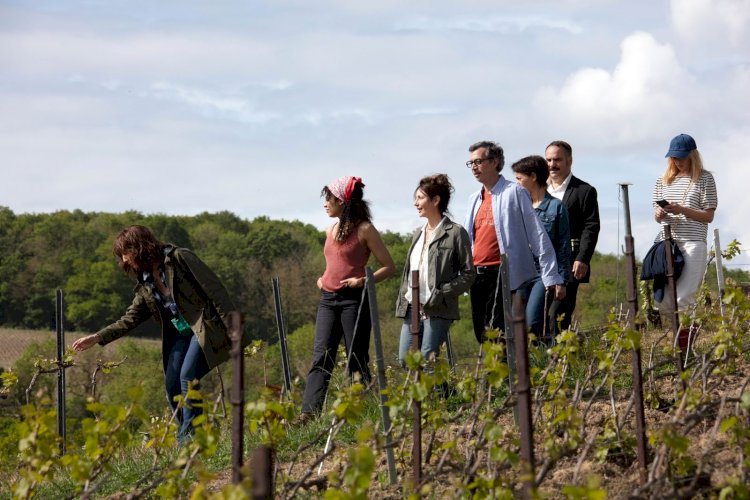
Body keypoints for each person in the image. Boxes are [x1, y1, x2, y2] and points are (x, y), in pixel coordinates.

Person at [71, 225, 244, 440]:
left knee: (188, 376)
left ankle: (189, 442)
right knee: (172, 387)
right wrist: (98, 337)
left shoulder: (180, 258)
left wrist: (233, 329)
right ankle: (194, 433)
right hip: (181, 336)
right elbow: (130, 318)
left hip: (204, 327)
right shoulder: (145, 282)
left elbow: (215, 290)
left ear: (139, 247)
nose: (124, 260)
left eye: (125, 253)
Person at [298, 176, 395, 423]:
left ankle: (362, 410)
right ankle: (308, 414)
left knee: (356, 356)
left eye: (329, 199)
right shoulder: (330, 230)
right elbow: (334, 263)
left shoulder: (365, 229)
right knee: (322, 356)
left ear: (342, 201)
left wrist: (362, 280)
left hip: (354, 300)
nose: (325, 204)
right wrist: (322, 278)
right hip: (327, 300)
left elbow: (389, 266)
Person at [464, 141, 564, 344]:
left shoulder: (514, 192)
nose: (474, 167)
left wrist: (551, 275)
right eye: (471, 163)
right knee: (481, 332)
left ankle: (503, 374)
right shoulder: (474, 198)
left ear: (494, 162)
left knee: (496, 330)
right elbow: (468, 239)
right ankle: (502, 372)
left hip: (501, 271)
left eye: (478, 162)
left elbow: (537, 234)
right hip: (477, 273)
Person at [395, 174, 475, 368]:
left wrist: (442, 293)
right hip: (412, 305)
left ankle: (434, 398)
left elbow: (469, 274)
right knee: (406, 360)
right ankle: (446, 393)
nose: (416, 203)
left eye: (420, 198)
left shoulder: (455, 232)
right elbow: (409, 273)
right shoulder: (417, 233)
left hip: (438, 307)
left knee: (428, 360)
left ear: (436, 200)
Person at [652, 133, 717, 312]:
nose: (678, 161)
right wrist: (659, 213)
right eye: (674, 157)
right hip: (667, 243)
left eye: (681, 157)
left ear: (692, 155)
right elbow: (656, 217)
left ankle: (688, 339)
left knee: (683, 298)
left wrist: (682, 210)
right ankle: (675, 336)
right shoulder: (662, 181)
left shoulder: (705, 179)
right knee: (663, 300)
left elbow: (709, 216)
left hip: (693, 243)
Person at [512, 156, 570, 341]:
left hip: (543, 273)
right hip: (521, 273)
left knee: (532, 324)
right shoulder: (517, 208)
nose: (516, 183)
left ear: (533, 177)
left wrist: (561, 280)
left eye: (519, 178)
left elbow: (563, 246)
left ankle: (542, 365)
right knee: (517, 326)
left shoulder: (556, 207)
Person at [545, 140, 600, 331]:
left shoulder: (584, 191)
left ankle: (560, 358)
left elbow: (591, 227)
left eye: (557, 160)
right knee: (538, 318)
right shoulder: (537, 191)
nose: (552, 164)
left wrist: (582, 258)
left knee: (557, 316)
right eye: (549, 160)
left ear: (569, 161)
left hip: (569, 262)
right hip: (540, 264)